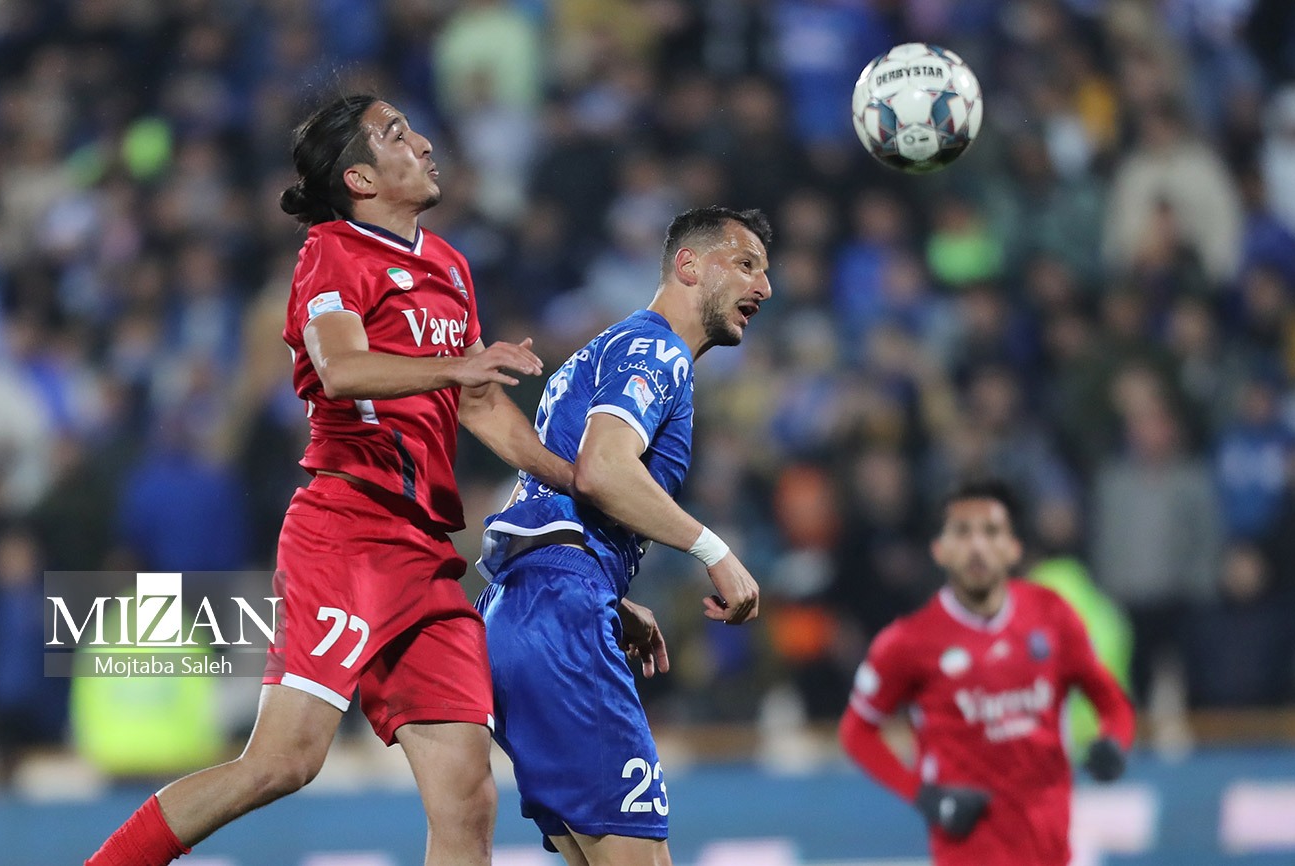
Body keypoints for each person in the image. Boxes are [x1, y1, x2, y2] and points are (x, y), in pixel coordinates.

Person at [85, 93, 572, 866]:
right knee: (284, 762)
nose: (423, 143)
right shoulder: (331, 252)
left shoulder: (450, 265)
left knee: (467, 787)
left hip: (423, 553)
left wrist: (577, 479)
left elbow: (481, 406)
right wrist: (456, 365)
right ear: (360, 179)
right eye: (397, 134)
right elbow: (341, 368)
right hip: (347, 532)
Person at [475, 206, 772, 866]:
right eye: (746, 264)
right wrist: (715, 551)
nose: (764, 287)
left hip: (525, 607)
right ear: (689, 266)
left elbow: (566, 494)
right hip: (559, 611)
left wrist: (606, 591)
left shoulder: (613, 347)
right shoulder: (655, 348)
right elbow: (602, 470)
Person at [838, 479, 1135, 866]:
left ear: (1013, 548)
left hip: (1051, 852)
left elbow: (1111, 702)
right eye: (963, 533)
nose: (977, 547)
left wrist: (1113, 743)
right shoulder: (908, 642)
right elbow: (857, 732)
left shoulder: (1052, 615)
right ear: (940, 550)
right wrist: (924, 795)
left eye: (991, 532)